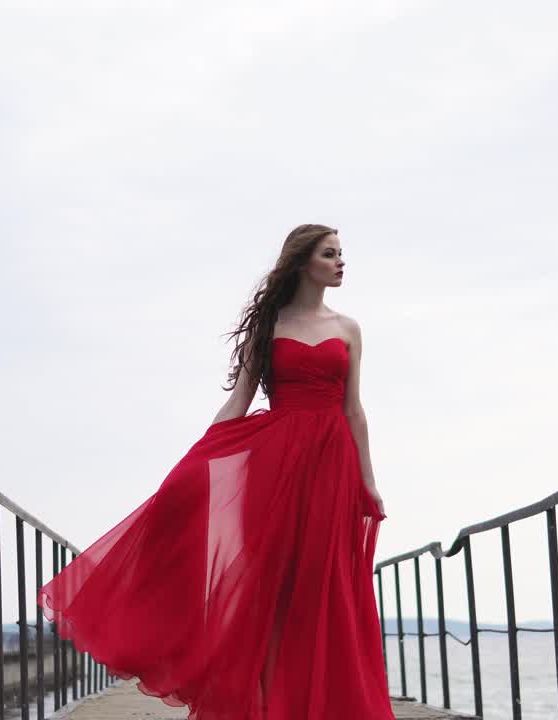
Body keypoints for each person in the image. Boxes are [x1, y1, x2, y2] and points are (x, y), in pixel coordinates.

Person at [38, 224, 393, 719]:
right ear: (302, 262)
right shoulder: (269, 326)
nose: (340, 262)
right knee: (270, 589)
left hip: (331, 470)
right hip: (273, 470)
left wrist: (368, 481)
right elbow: (240, 400)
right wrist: (196, 460)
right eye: (329, 253)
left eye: (341, 253)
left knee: (322, 586)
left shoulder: (349, 328)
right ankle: (270, 707)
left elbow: (354, 410)